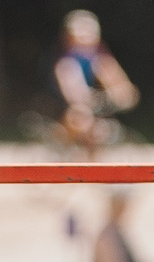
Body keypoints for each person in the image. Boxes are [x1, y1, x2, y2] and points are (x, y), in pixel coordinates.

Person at [53, 11, 138, 158]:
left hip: (90, 105)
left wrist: (123, 93)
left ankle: (91, 163)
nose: (85, 38)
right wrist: (81, 99)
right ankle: (64, 149)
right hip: (65, 104)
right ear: (69, 37)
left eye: (89, 33)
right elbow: (71, 85)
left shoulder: (99, 58)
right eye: (80, 34)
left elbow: (114, 78)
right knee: (80, 119)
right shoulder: (67, 61)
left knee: (99, 131)